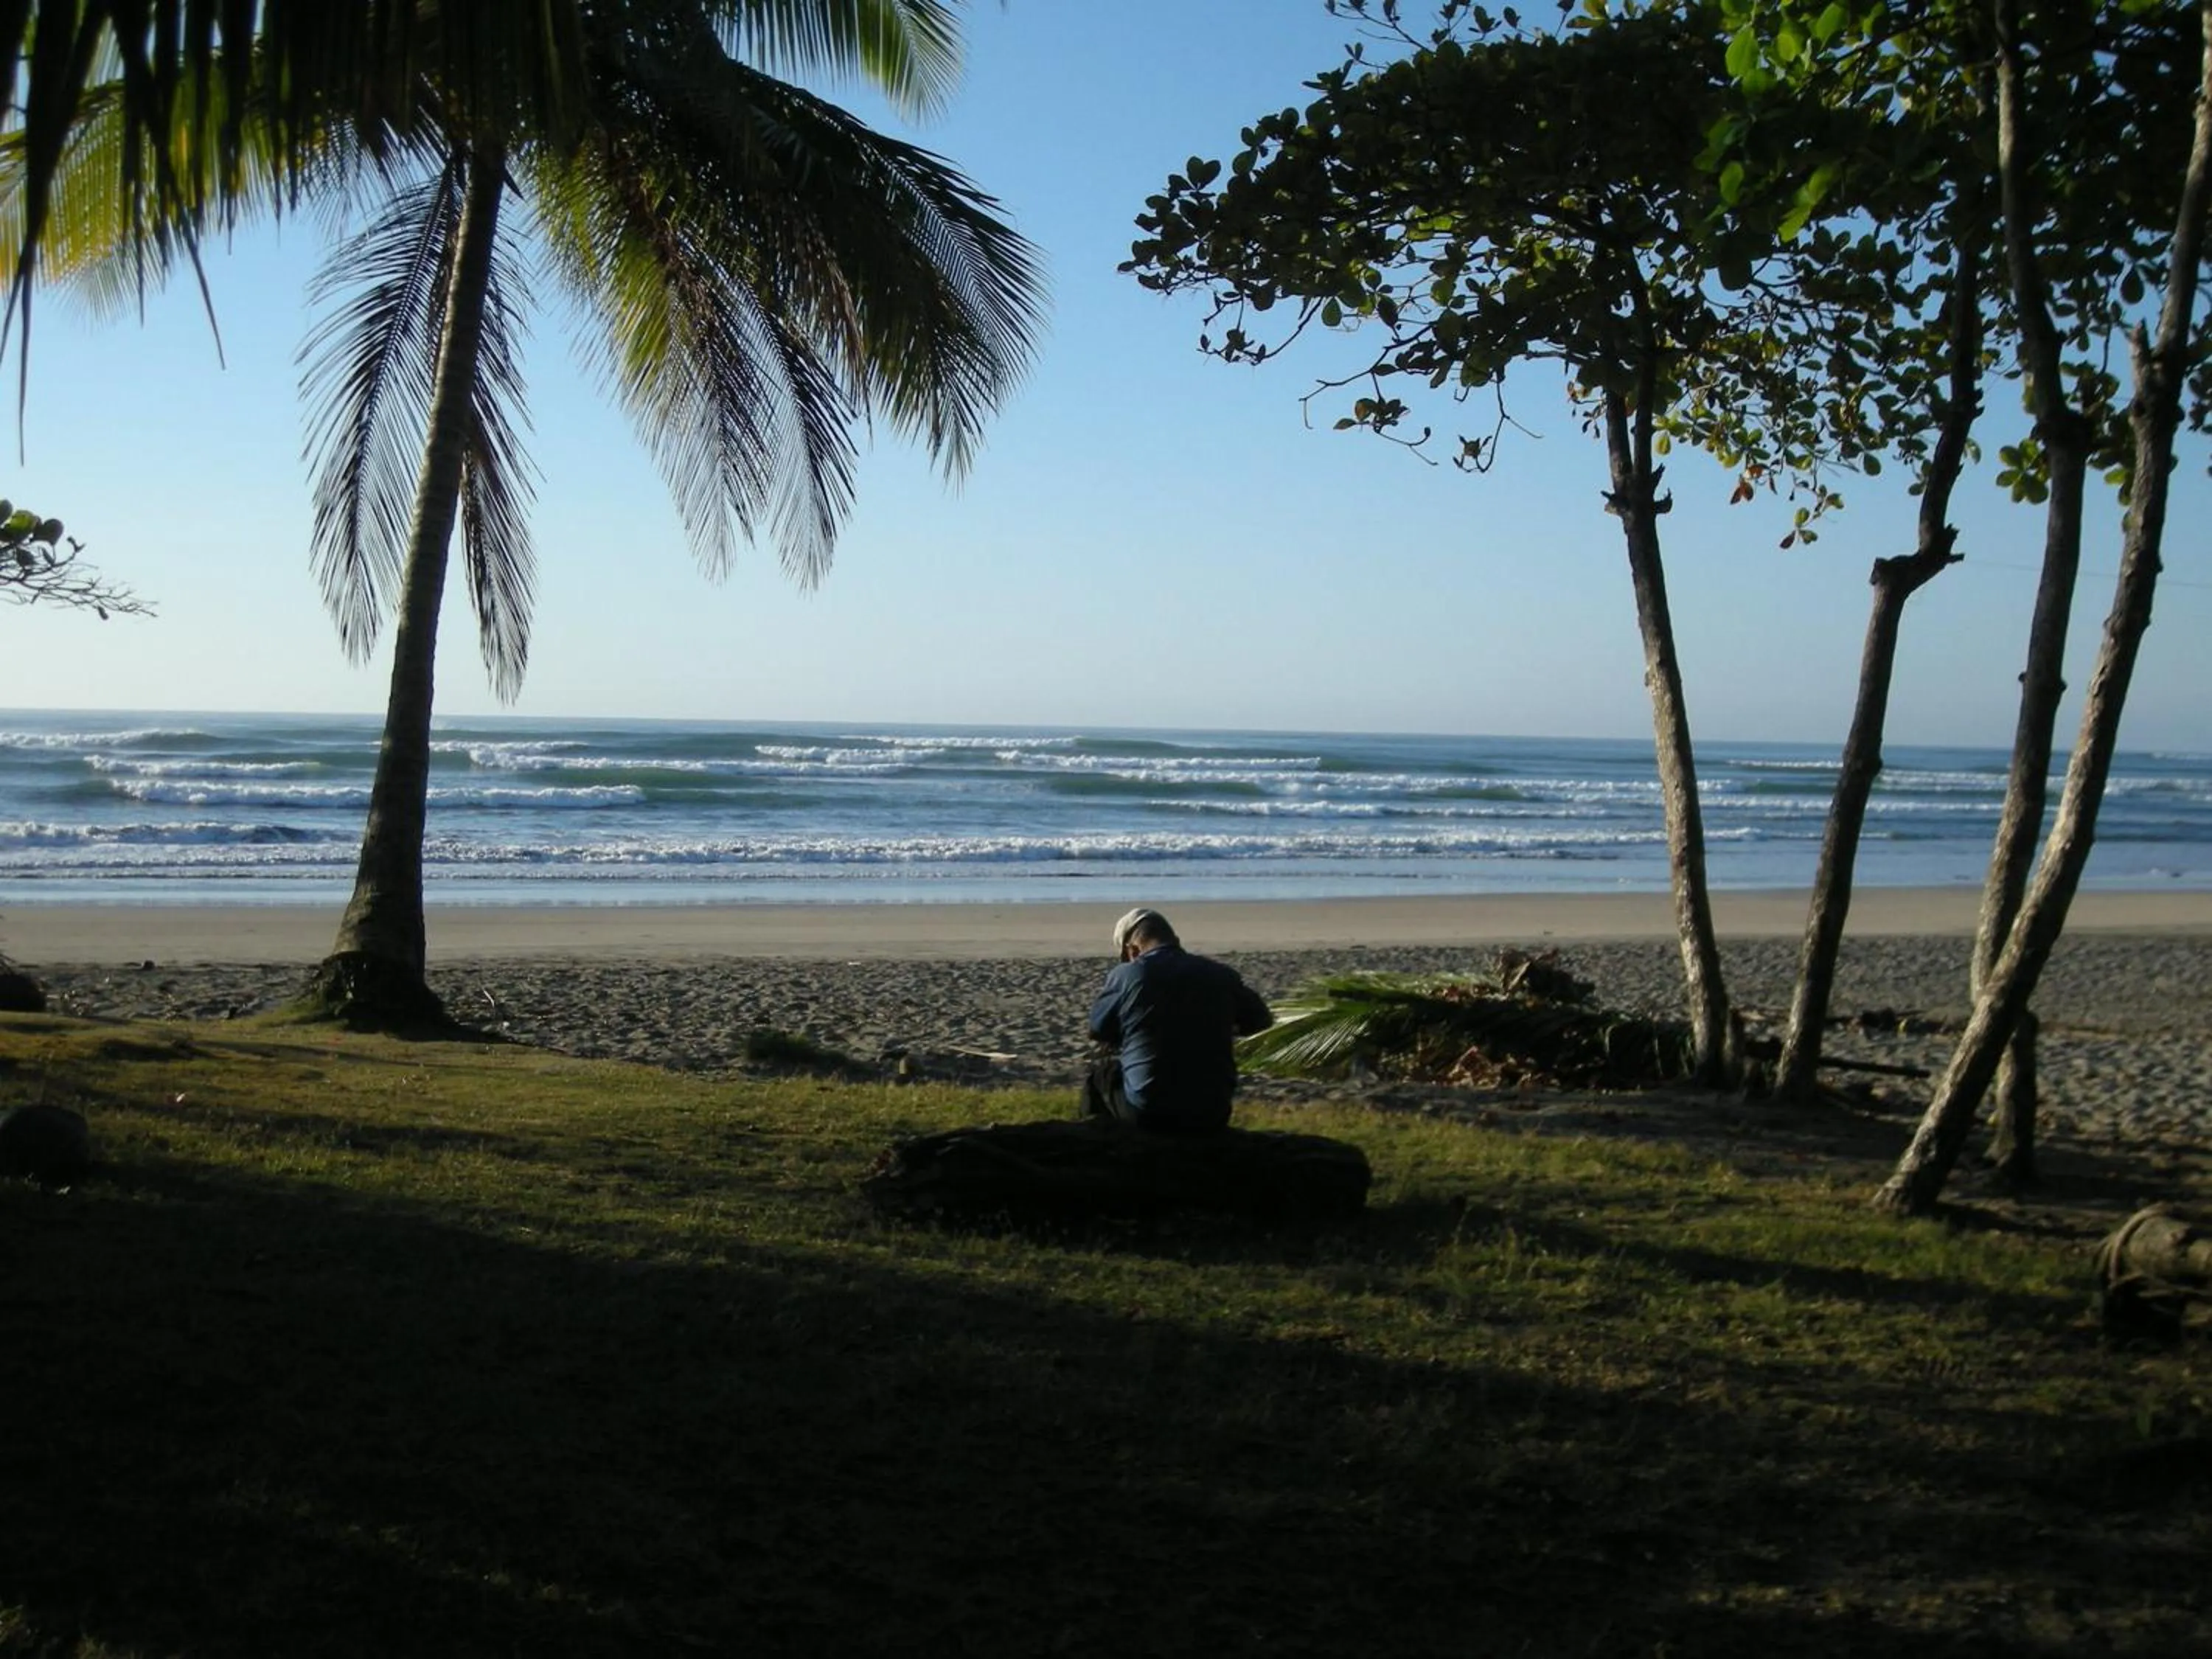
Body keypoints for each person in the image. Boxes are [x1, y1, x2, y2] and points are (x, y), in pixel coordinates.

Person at [1082, 907, 1273, 1133]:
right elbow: (1260, 1020)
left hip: (1149, 1112)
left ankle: (1099, 1149)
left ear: (1133, 950)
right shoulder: (1220, 974)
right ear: (1176, 940)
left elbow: (1098, 1029)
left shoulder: (1128, 974)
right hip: (1213, 1110)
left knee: (1100, 1077)